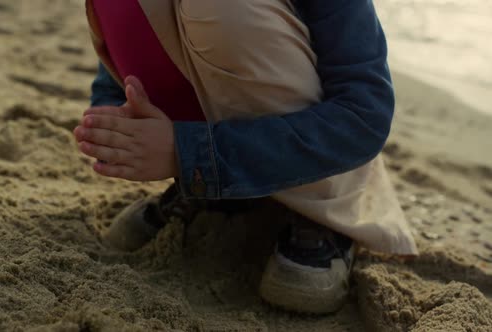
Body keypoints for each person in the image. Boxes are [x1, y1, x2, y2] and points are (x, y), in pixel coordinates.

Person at [74, 0, 418, 314]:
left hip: (322, 165)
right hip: (210, 134)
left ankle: (321, 212)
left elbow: (363, 115)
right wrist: (119, 118)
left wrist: (189, 153)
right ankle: (213, 188)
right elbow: (121, 61)